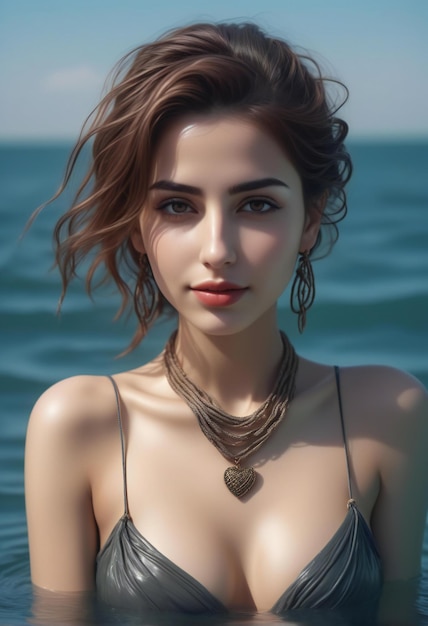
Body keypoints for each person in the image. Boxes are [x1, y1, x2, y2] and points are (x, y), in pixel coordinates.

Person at [25, 21, 428, 624]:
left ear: (311, 220)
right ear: (138, 226)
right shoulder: (78, 425)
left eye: (257, 205)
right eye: (177, 206)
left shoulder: (387, 411)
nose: (218, 248)